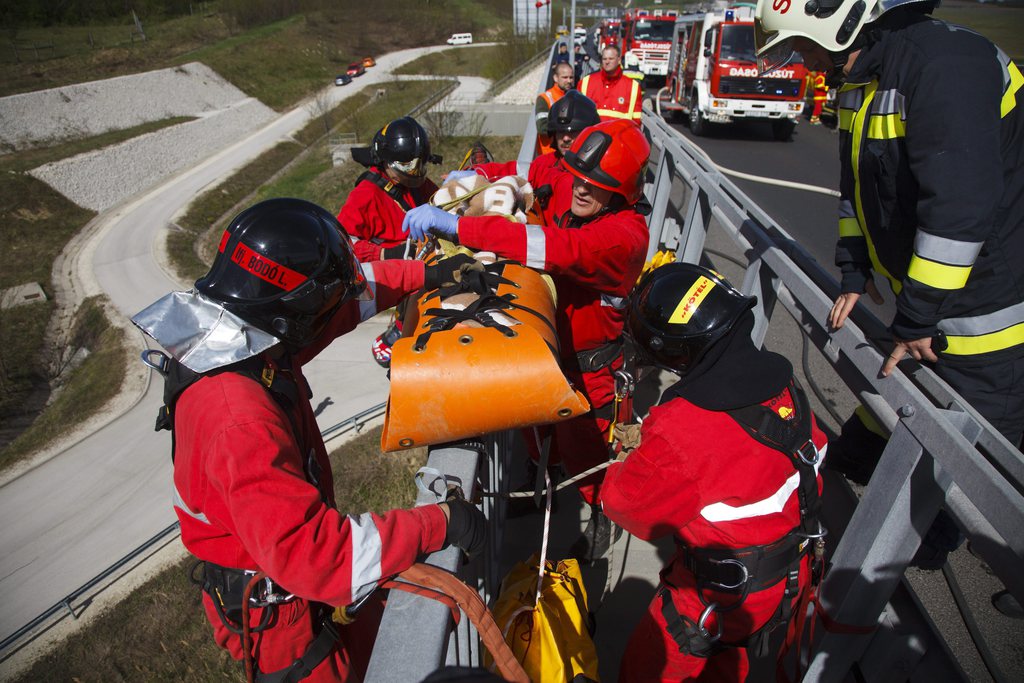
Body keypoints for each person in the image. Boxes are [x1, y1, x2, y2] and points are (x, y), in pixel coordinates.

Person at [132, 198, 486, 683]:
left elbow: (342, 308)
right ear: (290, 316)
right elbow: (323, 556)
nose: (330, 316)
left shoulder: (236, 335)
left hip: (291, 584)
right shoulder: (239, 419)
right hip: (285, 620)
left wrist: (426, 276)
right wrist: (440, 522)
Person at [754, 0, 1023, 603]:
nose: (801, 59)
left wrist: (918, 313)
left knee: (973, 500)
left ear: (843, 20)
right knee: (862, 458)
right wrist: (853, 269)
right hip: (928, 320)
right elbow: (855, 188)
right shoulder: (860, 78)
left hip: (993, 329)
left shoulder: (947, 65)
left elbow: (959, 213)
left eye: (802, 43)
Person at [403, 120, 652, 563]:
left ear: (623, 193)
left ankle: (603, 519)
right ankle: (540, 482)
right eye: (578, 175)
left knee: (591, 457)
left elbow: (551, 246)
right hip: (546, 348)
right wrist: (476, 177)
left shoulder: (622, 238)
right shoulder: (573, 183)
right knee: (538, 434)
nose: (580, 189)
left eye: (596, 185)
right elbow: (538, 169)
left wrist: (459, 229)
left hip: (591, 369)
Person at [602, 263, 829, 682]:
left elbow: (626, 508)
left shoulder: (685, 427)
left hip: (712, 598)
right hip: (782, 579)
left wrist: (631, 458)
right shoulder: (782, 381)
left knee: (648, 669)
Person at [338, 116, 441, 367]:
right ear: (385, 162)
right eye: (408, 168)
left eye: (421, 167)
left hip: (425, 264)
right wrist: (387, 254)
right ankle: (396, 333)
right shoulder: (367, 195)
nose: (416, 175)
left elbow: (438, 203)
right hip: (398, 277)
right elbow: (342, 245)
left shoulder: (416, 184)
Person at [467, 90, 600, 226]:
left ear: (589, 134)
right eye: (561, 131)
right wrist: (472, 172)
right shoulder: (546, 162)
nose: (565, 138)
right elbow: (514, 169)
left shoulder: (596, 178)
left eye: (573, 131)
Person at [578, 45, 643, 124]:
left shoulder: (633, 86)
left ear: (619, 60)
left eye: (611, 59)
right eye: (604, 59)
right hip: (592, 134)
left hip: (619, 135)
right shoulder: (586, 82)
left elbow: (636, 121)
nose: (607, 62)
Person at [535, 62, 576, 155]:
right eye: (565, 77)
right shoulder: (544, 98)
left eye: (571, 77)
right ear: (555, 78)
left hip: (568, 153)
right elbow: (542, 128)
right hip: (549, 154)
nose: (569, 81)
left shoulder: (574, 97)